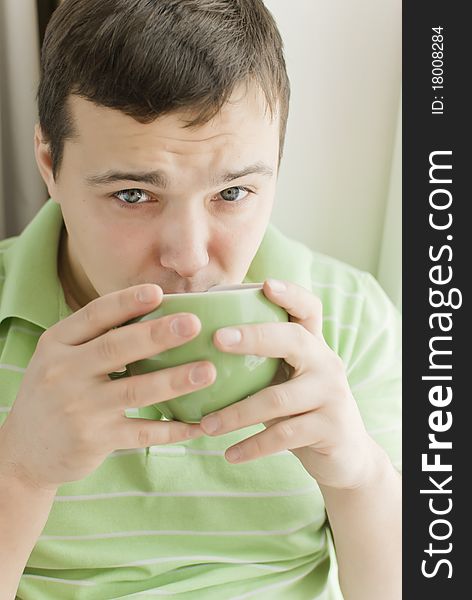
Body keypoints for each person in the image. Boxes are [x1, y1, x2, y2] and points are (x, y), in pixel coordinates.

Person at [0, 0, 401, 598]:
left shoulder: (351, 318)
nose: (187, 256)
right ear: (49, 163)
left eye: (233, 191)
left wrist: (359, 477)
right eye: (133, 195)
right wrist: (21, 473)